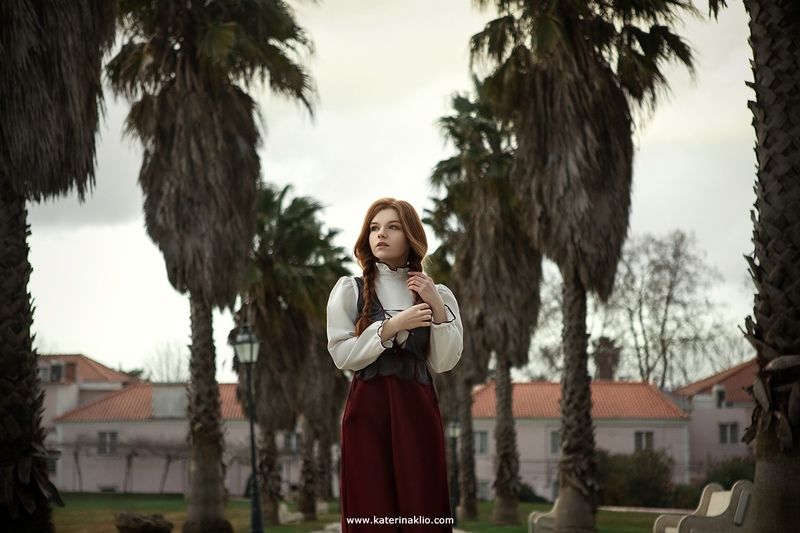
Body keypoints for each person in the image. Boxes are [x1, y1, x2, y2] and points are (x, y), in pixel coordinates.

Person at [326, 197, 464, 532]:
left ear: (411, 235)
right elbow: (342, 355)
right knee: (371, 509)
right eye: (374, 228)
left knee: (423, 506)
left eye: (392, 227)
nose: (380, 235)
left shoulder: (438, 293)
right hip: (367, 410)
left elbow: (444, 361)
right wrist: (392, 327)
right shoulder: (350, 290)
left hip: (417, 409)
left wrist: (436, 306)